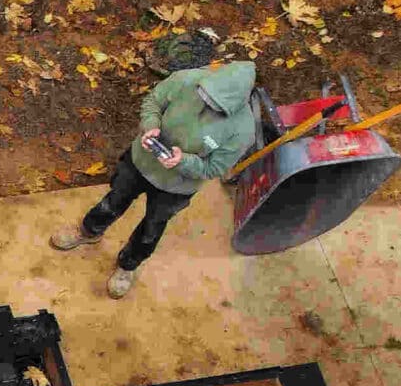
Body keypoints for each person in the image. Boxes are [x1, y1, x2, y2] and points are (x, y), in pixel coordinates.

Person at [49, 59, 260, 300]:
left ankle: (127, 266)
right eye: (204, 95)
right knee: (113, 200)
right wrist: (151, 125)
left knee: (151, 228)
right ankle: (88, 231)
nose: (206, 102)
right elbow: (153, 102)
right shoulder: (187, 79)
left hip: (176, 187)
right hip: (141, 161)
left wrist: (184, 162)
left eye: (214, 104)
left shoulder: (242, 131)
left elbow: (214, 168)